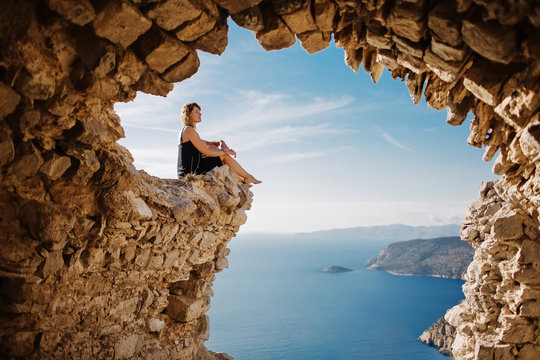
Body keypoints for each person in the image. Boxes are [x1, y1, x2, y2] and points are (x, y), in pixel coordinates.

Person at [177, 102, 262, 186]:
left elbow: (210, 143)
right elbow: (207, 152)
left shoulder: (188, 130)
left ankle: (242, 180)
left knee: (215, 149)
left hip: (193, 169)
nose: (200, 114)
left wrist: (222, 142)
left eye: (199, 111)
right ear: (188, 114)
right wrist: (225, 152)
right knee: (223, 156)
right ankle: (247, 177)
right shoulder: (188, 130)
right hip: (191, 172)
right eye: (196, 111)